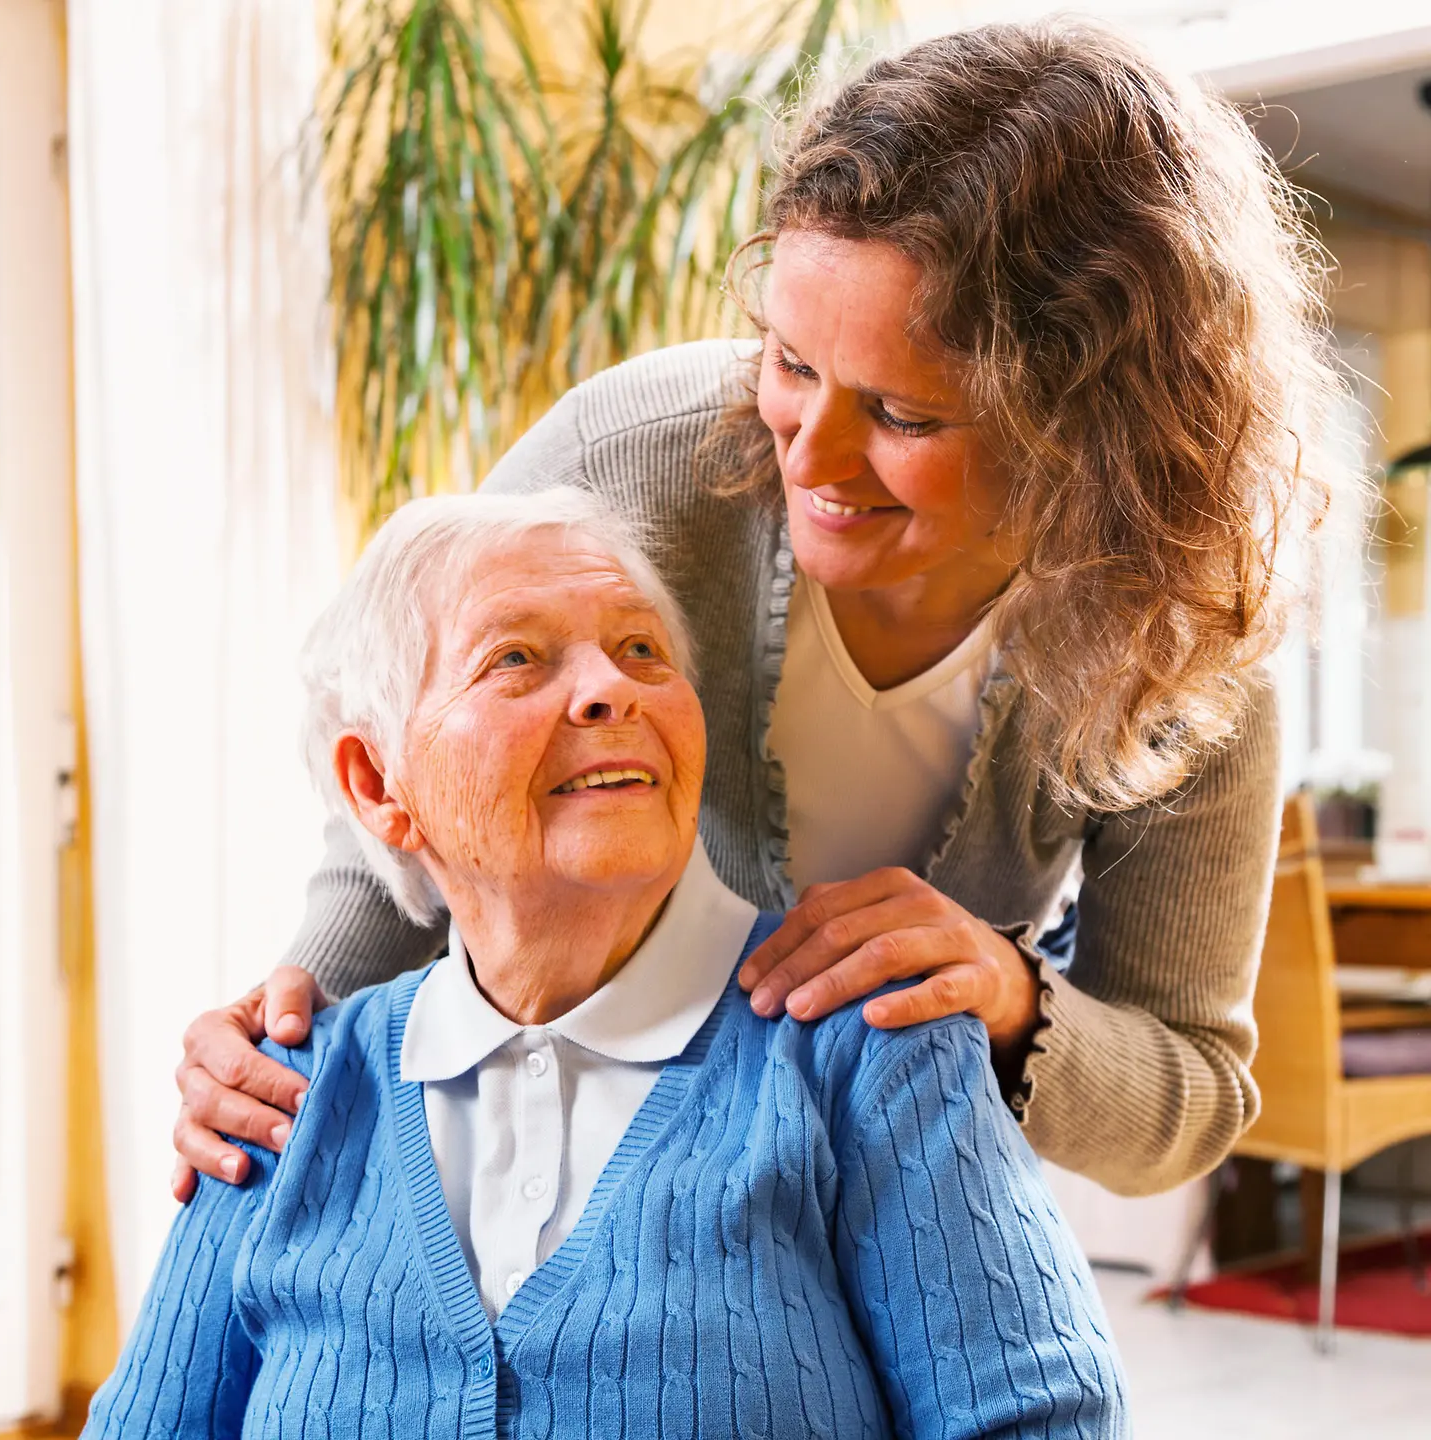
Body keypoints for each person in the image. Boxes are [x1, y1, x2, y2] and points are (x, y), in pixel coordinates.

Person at [173, 20, 1349, 1202]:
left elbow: (1188, 1094)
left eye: (902, 414)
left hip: (898, 1205)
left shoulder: (1180, 636)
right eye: (790, 361)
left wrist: (1010, 996)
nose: (813, 459)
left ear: (1089, 436)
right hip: (589, 1163)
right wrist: (288, 1029)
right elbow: (421, 779)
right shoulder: (627, 464)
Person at [88, 492, 1127, 1439]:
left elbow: (1047, 1423)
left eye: (640, 651)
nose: (607, 691)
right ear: (377, 784)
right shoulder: (276, 1096)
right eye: (517, 660)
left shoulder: (865, 1044)